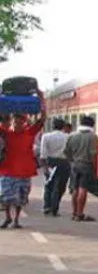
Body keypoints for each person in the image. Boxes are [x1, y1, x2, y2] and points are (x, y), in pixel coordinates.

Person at [0, 92, 46, 228]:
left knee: (21, 198)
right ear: (12, 122)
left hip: (24, 171)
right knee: (6, 197)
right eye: (15, 121)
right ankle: (8, 217)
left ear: (24, 123)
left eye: (20, 122)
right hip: (8, 170)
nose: (17, 124)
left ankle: (16, 220)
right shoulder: (5, 133)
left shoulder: (30, 132)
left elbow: (43, 119)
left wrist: (42, 100)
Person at [64, 115, 98, 222]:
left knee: (75, 189)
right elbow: (94, 155)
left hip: (75, 164)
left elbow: (66, 152)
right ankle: (80, 214)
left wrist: (72, 161)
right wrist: (95, 169)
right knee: (83, 189)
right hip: (86, 165)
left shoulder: (72, 136)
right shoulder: (93, 137)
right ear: (92, 125)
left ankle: (74, 213)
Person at [40, 118, 71, 216]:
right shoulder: (68, 137)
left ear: (53, 126)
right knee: (60, 187)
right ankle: (54, 208)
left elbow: (43, 154)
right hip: (64, 163)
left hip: (50, 162)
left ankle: (47, 206)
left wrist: (44, 167)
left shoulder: (46, 136)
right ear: (63, 127)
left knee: (49, 185)